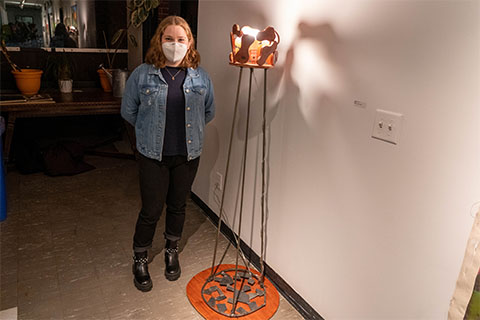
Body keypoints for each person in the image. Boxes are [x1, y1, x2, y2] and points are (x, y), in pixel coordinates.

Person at [121, 15, 215, 292]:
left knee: (177, 205)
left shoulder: (201, 77)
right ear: (159, 41)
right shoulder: (142, 74)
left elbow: (208, 112)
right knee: (151, 209)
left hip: (187, 155)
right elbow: (129, 111)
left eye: (181, 39)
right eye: (169, 39)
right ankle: (140, 256)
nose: (175, 44)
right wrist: (149, 132)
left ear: (190, 43)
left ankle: (171, 250)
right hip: (152, 155)